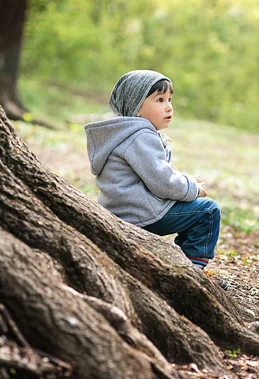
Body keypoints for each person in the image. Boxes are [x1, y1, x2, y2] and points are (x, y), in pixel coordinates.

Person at [84, 70, 227, 289]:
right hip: (140, 214)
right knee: (206, 211)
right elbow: (163, 182)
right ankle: (192, 273)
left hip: (124, 209)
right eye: (159, 100)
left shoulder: (124, 134)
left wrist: (186, 181)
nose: (168, 106)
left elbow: (156, 173)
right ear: (136, 107)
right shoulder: (140, 136)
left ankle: (186, 265)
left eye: (169, 99)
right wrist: (193, 188)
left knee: (193, 208)